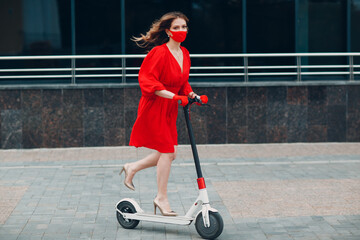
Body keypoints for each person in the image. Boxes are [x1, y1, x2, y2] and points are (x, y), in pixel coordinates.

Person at [119, 12, 199, 217]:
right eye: (177, 27)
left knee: (170, 153)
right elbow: (148, 82)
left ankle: (132, 167)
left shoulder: (185, 53)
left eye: (184, 27)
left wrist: (189, 93)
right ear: (168, 31)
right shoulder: (158, 53)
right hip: (155, 105)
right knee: (166, 150)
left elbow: (182, 81)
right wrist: (173, 96)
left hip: (171, 107)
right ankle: (161, 197)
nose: (182, 31)